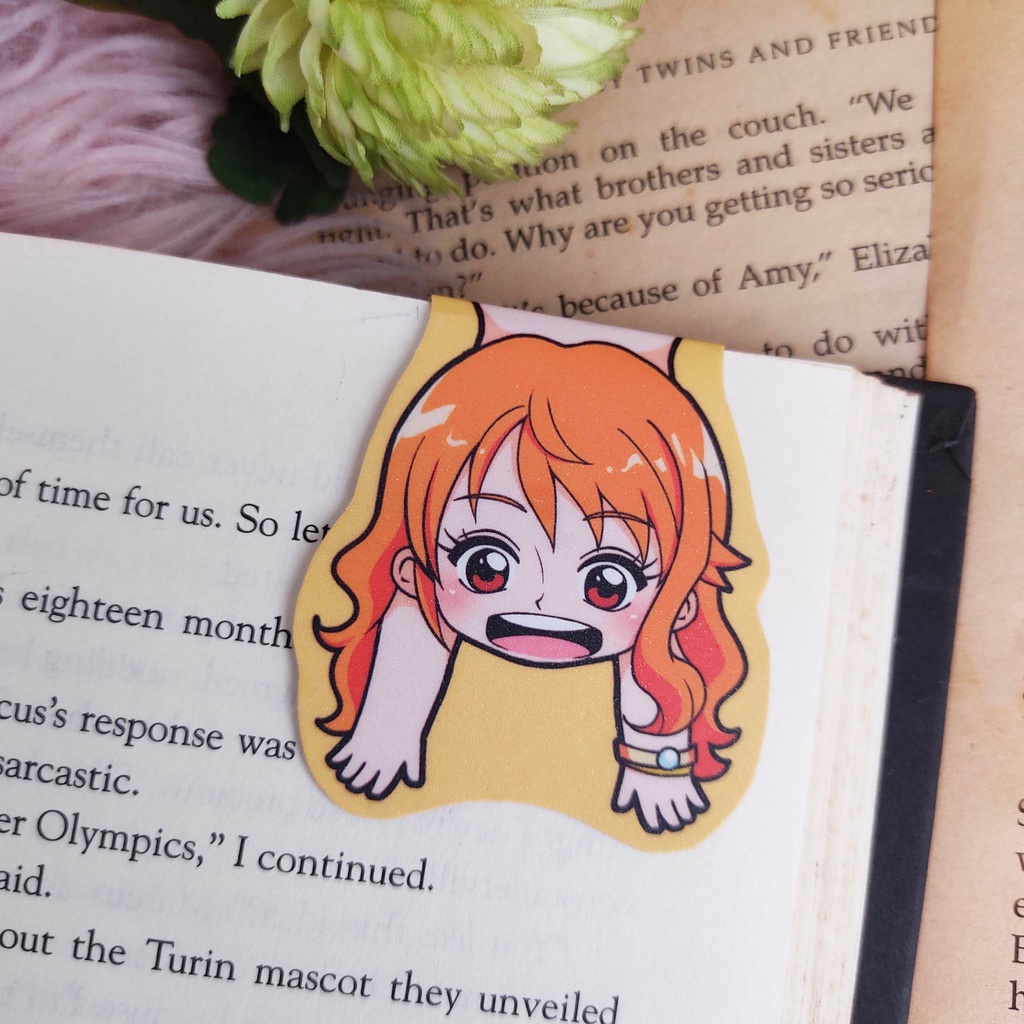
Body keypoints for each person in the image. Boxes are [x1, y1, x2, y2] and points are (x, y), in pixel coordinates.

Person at [313, 334, 749, 834]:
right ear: (410, 569)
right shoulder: (418, 583)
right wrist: (385, 732)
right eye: (487, 567)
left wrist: (658, 765)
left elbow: (659, 655)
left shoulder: (666, 614)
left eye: (607, 584)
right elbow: (417, 611)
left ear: (681, 598)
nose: (543, 602)